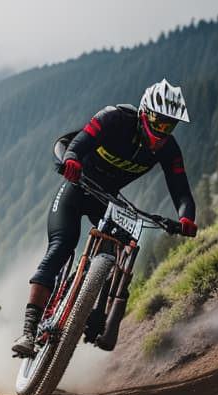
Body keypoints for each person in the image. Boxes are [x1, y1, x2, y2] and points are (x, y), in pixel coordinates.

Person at [12, 78, 197, 357]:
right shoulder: (115, 119)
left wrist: (186, 219)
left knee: (120, 252)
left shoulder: (168, 149)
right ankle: (28, 330)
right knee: (62, 246)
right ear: (145, 113)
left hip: (107, 199)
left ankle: (96, 312)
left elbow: (181, 191)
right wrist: (72, 160)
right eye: (158, 123)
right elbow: (78, 142)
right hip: (77, 186)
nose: (162, 133)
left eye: (169, 126)